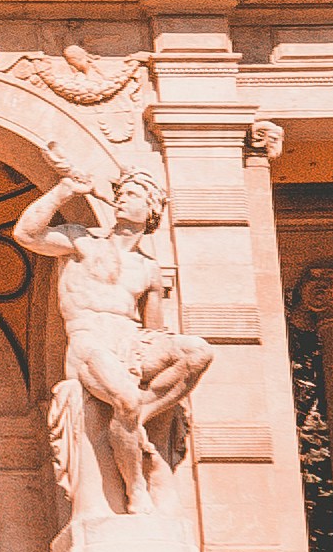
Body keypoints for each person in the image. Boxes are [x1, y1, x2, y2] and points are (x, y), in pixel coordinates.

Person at [12, 167, 211, 526]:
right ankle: (135, 487)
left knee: (197, 351)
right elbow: (26, 234)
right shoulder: (80, 240)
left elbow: (155, 329)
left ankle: (142, 416)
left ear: (150, 211)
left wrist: (158, 360)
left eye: (133, 194)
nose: (122, 198)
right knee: (126, 401)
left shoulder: (149, 269)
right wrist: (65, 190)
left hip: (131, 338)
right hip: (89, 339)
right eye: (121, 192)